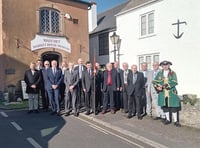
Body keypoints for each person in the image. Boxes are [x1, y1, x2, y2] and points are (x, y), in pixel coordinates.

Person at [152, 60, 181, 127]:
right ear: (162, 66)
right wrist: (157, 87)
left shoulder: (172, 73)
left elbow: (175, 82)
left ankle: (176, 121)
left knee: (174, 108)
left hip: (171, 93)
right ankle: (168, 120)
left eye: (166, 65)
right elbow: (154, 82)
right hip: (162, 93)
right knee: (165, 107)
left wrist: (164, 86)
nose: (165, 66)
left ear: (168, 66)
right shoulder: (159, 73)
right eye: (164, 65)